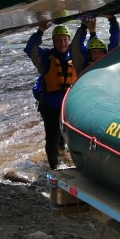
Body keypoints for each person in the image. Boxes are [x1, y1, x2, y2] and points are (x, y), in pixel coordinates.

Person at [24, 21, 77, 169]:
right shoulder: (46, 58)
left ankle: (63, 153)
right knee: (52, 138)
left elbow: (95, 49)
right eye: (58, 40)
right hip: (50, 106)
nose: (62, 43)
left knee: (65, 136)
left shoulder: (77, 56)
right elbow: (30, 49)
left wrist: (87, 28)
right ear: (53, 42)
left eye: (65, 39)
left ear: (70, 40)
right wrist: (40, 31)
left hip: (68, 105)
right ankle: (54, 168)